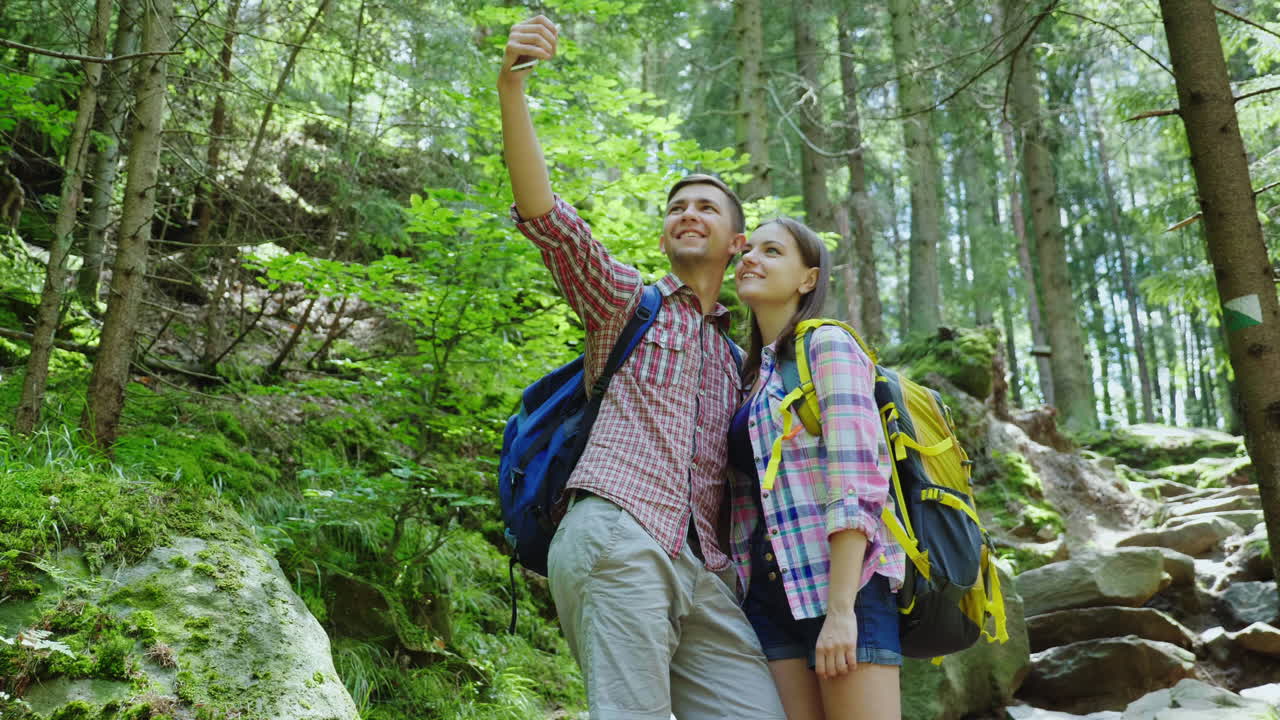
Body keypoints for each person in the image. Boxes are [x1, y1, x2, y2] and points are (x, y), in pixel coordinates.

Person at [498, 15, 786, 720]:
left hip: (706, 571)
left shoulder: (738, 358)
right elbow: (547, 216)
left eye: (706, 208)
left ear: (737, 240)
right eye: (677, 208)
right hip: (618, 534)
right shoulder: (627, 301)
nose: (689, 214)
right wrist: (512, 88)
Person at [728, 217, 905, 720]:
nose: (751, 259)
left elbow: (856, 476)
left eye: (772, 251)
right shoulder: (750, 375)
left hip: (841, 584)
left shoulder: (826, 344)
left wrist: (842, 609)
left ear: (808, 279)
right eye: (749, 250)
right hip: (768, 592)